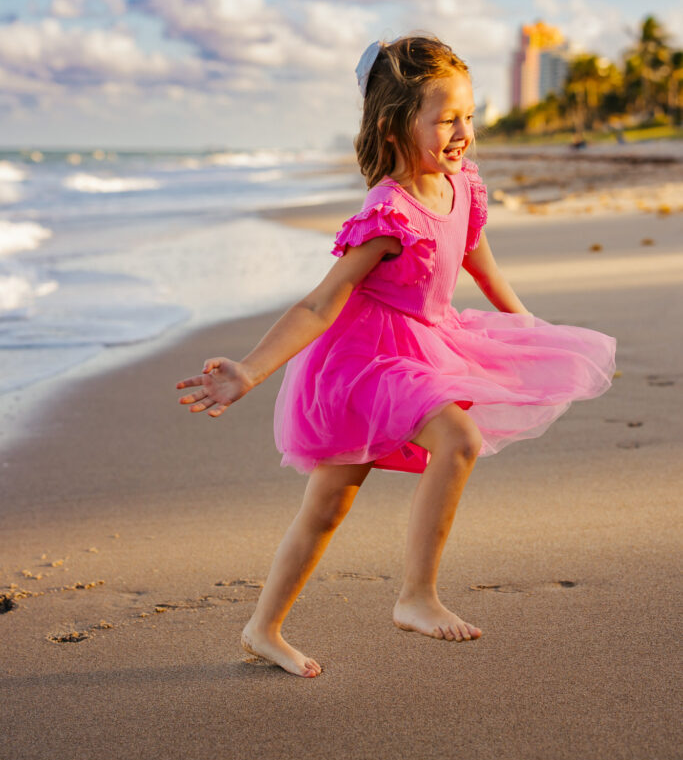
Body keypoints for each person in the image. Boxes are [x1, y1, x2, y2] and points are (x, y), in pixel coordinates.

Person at [176, 36, 616, 679]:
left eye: (469, 115)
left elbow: (476, 260)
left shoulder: (460, 183)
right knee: (341, 499)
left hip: (426, 346)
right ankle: (363, 608)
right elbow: (322, 305)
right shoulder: (388, 213)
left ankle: (270, 624)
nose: (464, 131)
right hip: (361, 366)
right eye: (446, 119)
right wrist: (250, 370)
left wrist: (527, 327)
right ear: (393, 122)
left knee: (395, 471)